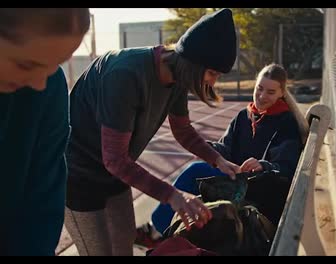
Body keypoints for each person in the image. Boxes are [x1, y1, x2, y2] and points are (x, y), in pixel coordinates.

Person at [64, 8, 241, 256]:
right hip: (78, 176)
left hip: (115, 174)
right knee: (98, 252)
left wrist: (218, 160)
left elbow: (183, 131)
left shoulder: (178, 77)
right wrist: (173, 195)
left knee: (123, 246)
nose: (211, 83)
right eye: (212, 73)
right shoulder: (125, 75)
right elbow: (114, 158)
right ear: (192, 62)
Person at [135, 63, 310, 246]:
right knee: (198, 173)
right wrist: (207, 149)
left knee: (195, 173)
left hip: (258, 186)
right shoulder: (245, 116)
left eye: (271, 92)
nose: (262, 96)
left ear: (282, 93)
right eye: (259, 88)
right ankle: (166, 233)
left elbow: (286, 166)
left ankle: (154, 232)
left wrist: (263, 165)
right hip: (235, 178)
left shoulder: (286, 122)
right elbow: (226, 148)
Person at [0, 8, 90, 255]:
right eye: (26, 64)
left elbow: (43, 195)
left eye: (54, 65)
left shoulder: (49, 86)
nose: (40, 83)